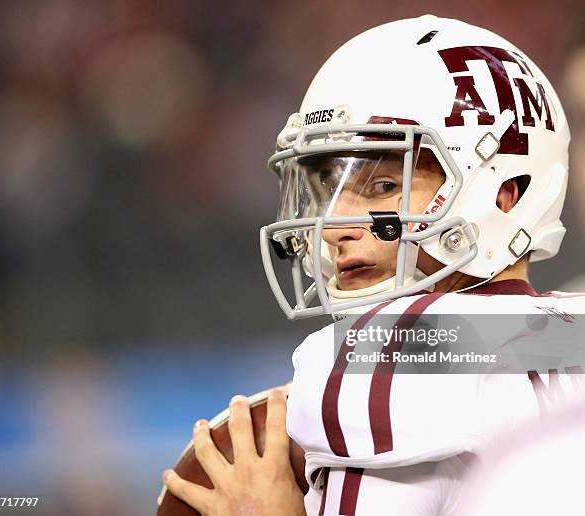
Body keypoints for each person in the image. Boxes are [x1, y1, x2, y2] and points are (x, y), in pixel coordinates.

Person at [163, 14, 584, 515]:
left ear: (505, 195)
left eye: (384, 186)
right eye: (325, 191)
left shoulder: (381, 355)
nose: (336, 226)